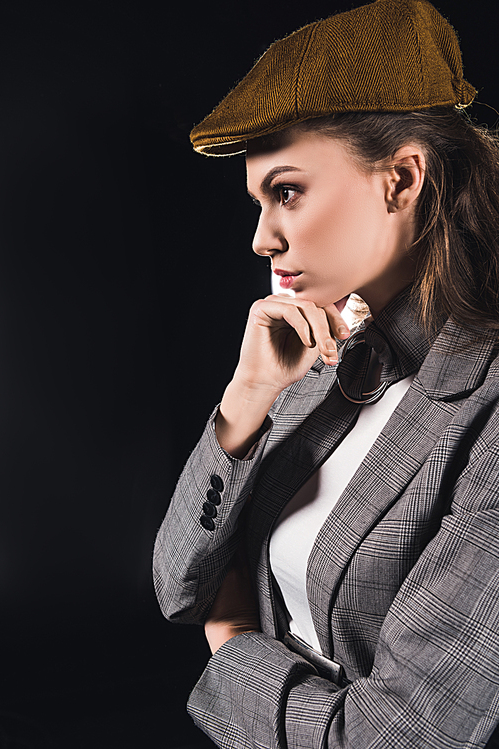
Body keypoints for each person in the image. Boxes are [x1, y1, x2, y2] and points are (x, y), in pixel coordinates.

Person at [153, 0, 499, 746]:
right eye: (257, 201)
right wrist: (244, 403)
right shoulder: (327, 349)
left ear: (402, 178)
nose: (259, 238)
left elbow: (393, 737)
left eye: (286, 191)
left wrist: (232, 642)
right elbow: (177, 581)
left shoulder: (488, 412)